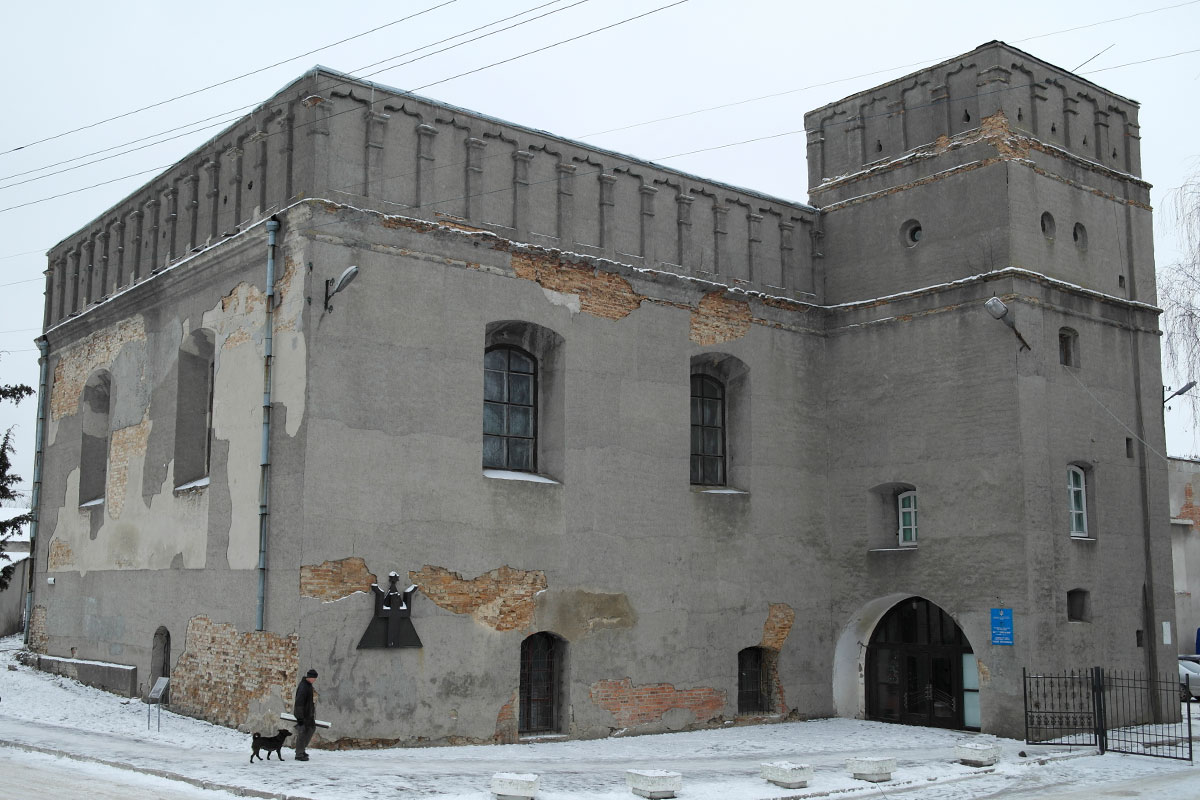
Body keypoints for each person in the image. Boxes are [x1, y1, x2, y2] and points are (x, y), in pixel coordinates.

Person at [293, 668, 318, 761]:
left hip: (308, 714)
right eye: (314, 678)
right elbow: (299, 703)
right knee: (302, 732)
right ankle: (299, 754)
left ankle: (301, 750)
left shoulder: (308, 685)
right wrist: (300, 718)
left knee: (311, 728)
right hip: (303, 714)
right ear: (310, 677)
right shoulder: (304, 686)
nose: (315, 680)